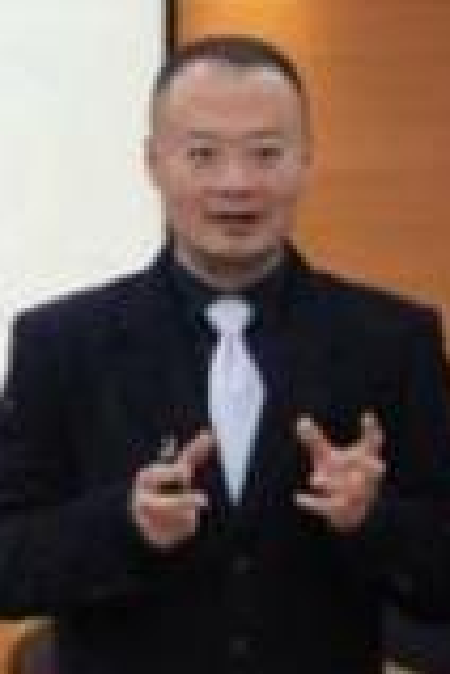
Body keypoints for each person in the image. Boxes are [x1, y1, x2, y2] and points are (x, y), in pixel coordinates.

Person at [0, 35, 449, 674]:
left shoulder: (393, 341)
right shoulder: (59, 344)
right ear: (153, 162)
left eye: (266, 154)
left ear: (305, 160)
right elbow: (10, 562)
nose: (236, 184)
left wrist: (373, 519)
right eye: (203, 154)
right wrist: (124, 524)